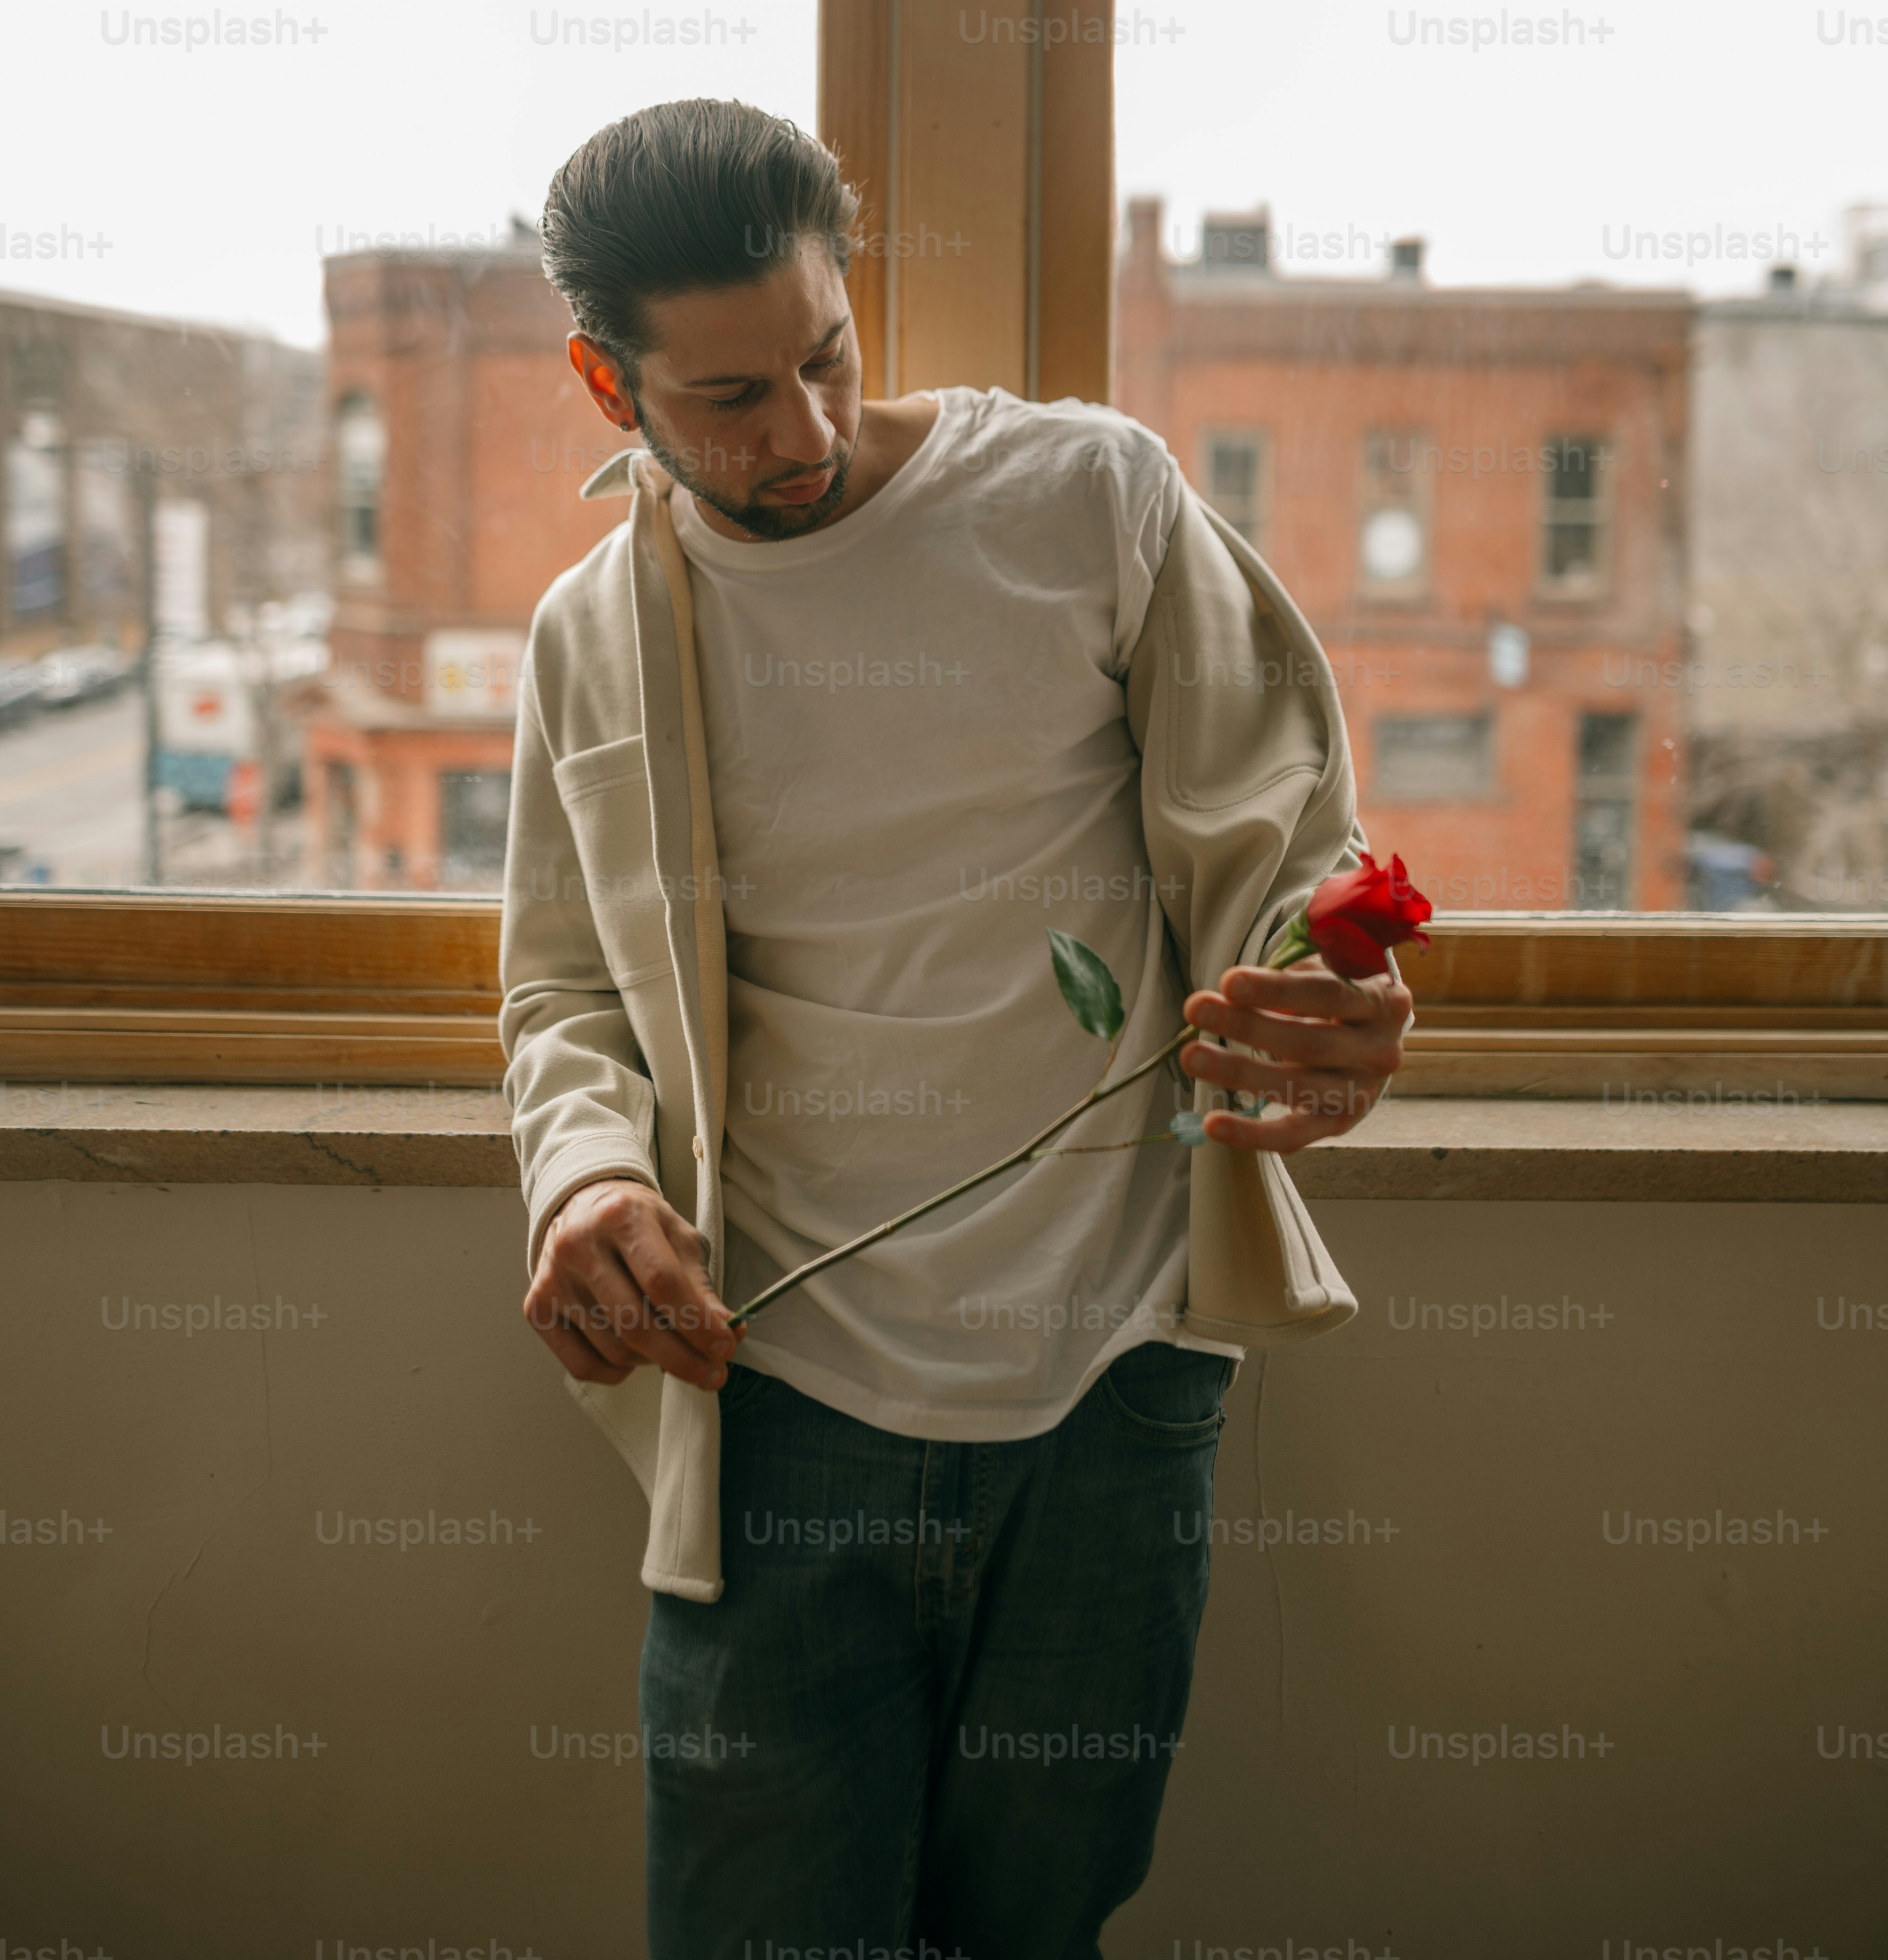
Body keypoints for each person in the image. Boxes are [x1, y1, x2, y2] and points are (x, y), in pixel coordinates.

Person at [501, 98, 1410, 1960]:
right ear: (610, 384)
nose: (807, 434)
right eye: (732, 400)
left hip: (1111, 1385)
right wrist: (583, 1174)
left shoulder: (1092, 496)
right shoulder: (591, 636)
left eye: (827, 356)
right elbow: (565, 990)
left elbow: (1284, 853)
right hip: (770, 1401)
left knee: (1037, 1930)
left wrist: (1331, 1006)